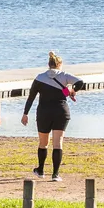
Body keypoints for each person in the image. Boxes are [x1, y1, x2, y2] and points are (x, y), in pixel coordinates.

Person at [23, 51, 86, 179]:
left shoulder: (39, 77)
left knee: (43, 143)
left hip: (44, 112)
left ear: (48, 64)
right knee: (58, 143)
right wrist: (73, 90)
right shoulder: (64, 76)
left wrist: (25, 114)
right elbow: (80, 82)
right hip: (61, 112)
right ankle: (55, 174)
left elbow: (31, 98)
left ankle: (40, 170)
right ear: (59, 65)